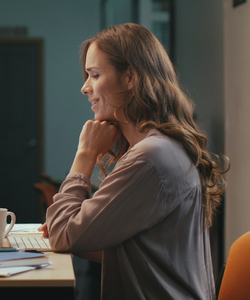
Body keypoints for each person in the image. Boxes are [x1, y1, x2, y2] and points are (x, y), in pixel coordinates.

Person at [39, 23, 228, 299]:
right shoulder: (159, 148)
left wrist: (85, 154)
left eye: (94, 75)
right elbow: (137, 248)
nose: (84, 88)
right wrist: (80, 226)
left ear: (129, 78)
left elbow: (65, 234)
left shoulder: (150, 157)